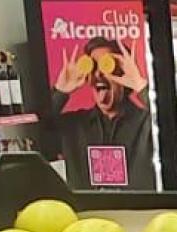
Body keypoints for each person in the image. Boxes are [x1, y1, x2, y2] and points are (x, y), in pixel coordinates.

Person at [52, 36, 157, 190]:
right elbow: (37, 128)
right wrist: (60, 91)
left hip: (136, 213)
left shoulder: (146, 123)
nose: (98, 74)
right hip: (89, 212)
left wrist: (138, 83)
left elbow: (170, 125)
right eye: (93, 67)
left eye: (106, 65)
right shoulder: (75, 125)